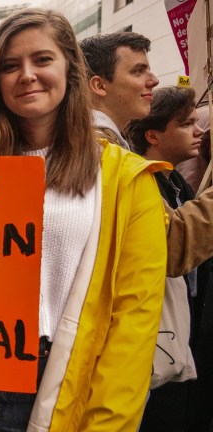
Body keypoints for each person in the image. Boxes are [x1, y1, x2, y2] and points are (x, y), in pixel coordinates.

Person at [0, 9, 167, 431]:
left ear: (71, 68)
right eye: (10, 66)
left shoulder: (127, 179)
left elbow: (134, 322)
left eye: (42, 60)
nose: (26, 74)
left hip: (63, 386)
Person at [126, 86, 213, 432]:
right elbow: (171, 250)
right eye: (186, 124)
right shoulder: (142, 183)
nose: (199, 131)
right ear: (153, 135)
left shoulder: (177, 182)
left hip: (179, 338)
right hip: (155, 346)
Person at [79, 32, 159, 150]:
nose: (154, 81)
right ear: (100, 86)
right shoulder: (95, 149)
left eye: (148, 70)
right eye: (138, 71)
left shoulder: (92, 141)